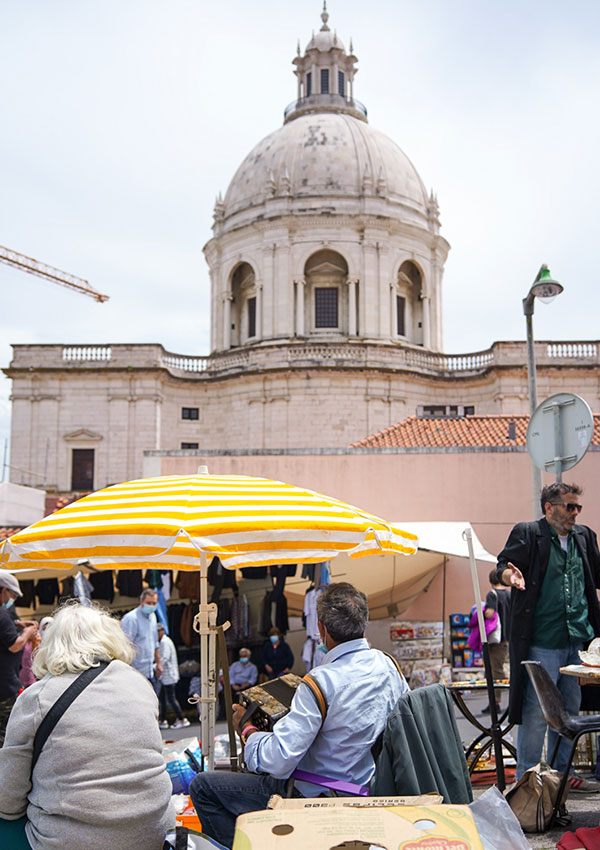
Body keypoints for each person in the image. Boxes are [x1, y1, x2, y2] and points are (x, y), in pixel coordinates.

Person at [190, 582, 409, 848]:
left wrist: (248, 731)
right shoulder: (388, 664)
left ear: (322, 629)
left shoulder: (321, 682)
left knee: (203, 787)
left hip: (316, 792)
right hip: (369, 783)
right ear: (364, 623)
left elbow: (279, 761)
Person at [0, 601, 175, 850]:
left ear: (51, 645)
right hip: (155, 832)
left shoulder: (36, 697)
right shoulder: (138, 683)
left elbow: (8, 801)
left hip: (73, 842)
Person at [496, 482, 600, 791]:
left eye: (578, 507)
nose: (575, 513)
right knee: (536, 713)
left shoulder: (584, 537)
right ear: (549, 507)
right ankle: (526, 782)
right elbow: (502, 566)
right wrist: (510, 576)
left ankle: (559, 779)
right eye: (569, 507)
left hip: (578, 642)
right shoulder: (528, 533)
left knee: (568, 713)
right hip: (542, 641)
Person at [0, 570, 38, 745]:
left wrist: (16, 624)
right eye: (13, 595)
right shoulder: (1, 612)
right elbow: (14, 644)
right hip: (5, 686)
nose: (13, 599)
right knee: (7, 733)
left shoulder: (4, 614)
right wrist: (27, 632)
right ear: (3, 591)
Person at [481, 568, 512, 715]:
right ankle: (500, 701)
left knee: (496, 671)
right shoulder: (509, 594)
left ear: (491, 580)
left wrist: (481, 611)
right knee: (499, 668)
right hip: (508, 637)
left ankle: (497, 702)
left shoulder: (492, 595)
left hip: (495, 639)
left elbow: (490, 613)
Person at [120, 588, 163, 693]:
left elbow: (155, 642)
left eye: (154, 603)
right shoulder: (131, 619)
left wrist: (159, 663)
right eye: (149, 603)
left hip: (150, 670)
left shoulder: (153, 616)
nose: (151, 606)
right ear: (141, 601)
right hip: (136, 672)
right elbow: (125, 646)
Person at [157, 622, 190, 729]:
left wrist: (155, 666)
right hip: (165, 676)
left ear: (162, 631)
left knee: (171, 699)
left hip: (168, 675)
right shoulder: (163, 641)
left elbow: (165, 657)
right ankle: (162, 719)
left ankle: (182, 719)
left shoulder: (165, 642)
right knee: (162, 698)